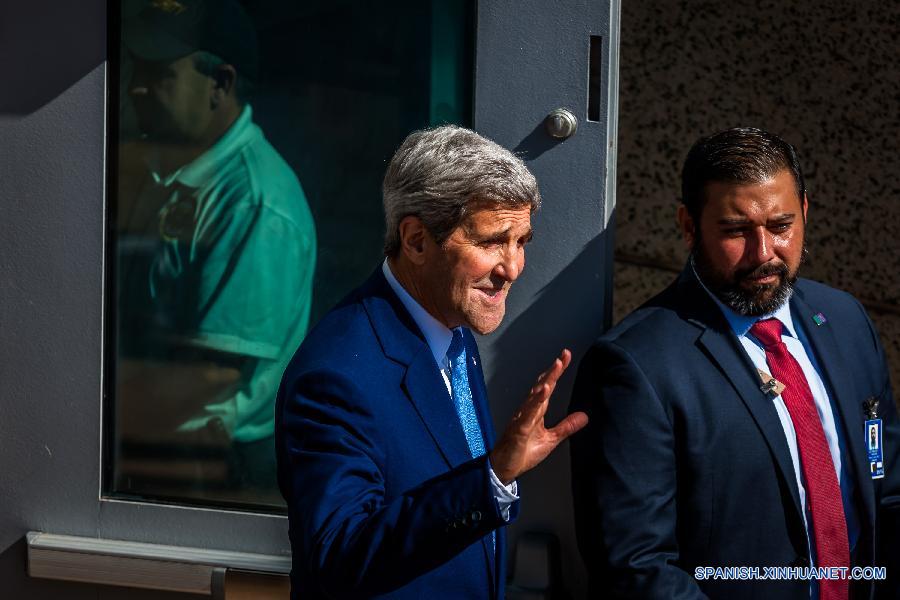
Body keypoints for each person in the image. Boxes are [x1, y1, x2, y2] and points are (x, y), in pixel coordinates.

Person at [570, 127, 899, 599]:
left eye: (781, 225)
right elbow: (635, 567)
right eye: (736, 230)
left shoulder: (846, 321)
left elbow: (887, 489)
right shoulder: (635, 367)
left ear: (805, 211)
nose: (763, 253)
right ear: (688, 226)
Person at [275, 125, 588, 599]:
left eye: (521, 241)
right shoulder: (336, 377)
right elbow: (340, 556)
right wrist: (493, 479)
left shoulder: (451, 330)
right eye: (491, 242)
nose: (513, 268)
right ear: (417, 240)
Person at [115, 0, 315, 500]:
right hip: (155, 436)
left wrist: (90, 405)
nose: (135, 86)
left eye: (158, 73)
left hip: (213, 465)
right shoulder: (172, 165)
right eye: (136, 68)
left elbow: (210, 377)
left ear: (219, 84)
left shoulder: (255, 204)